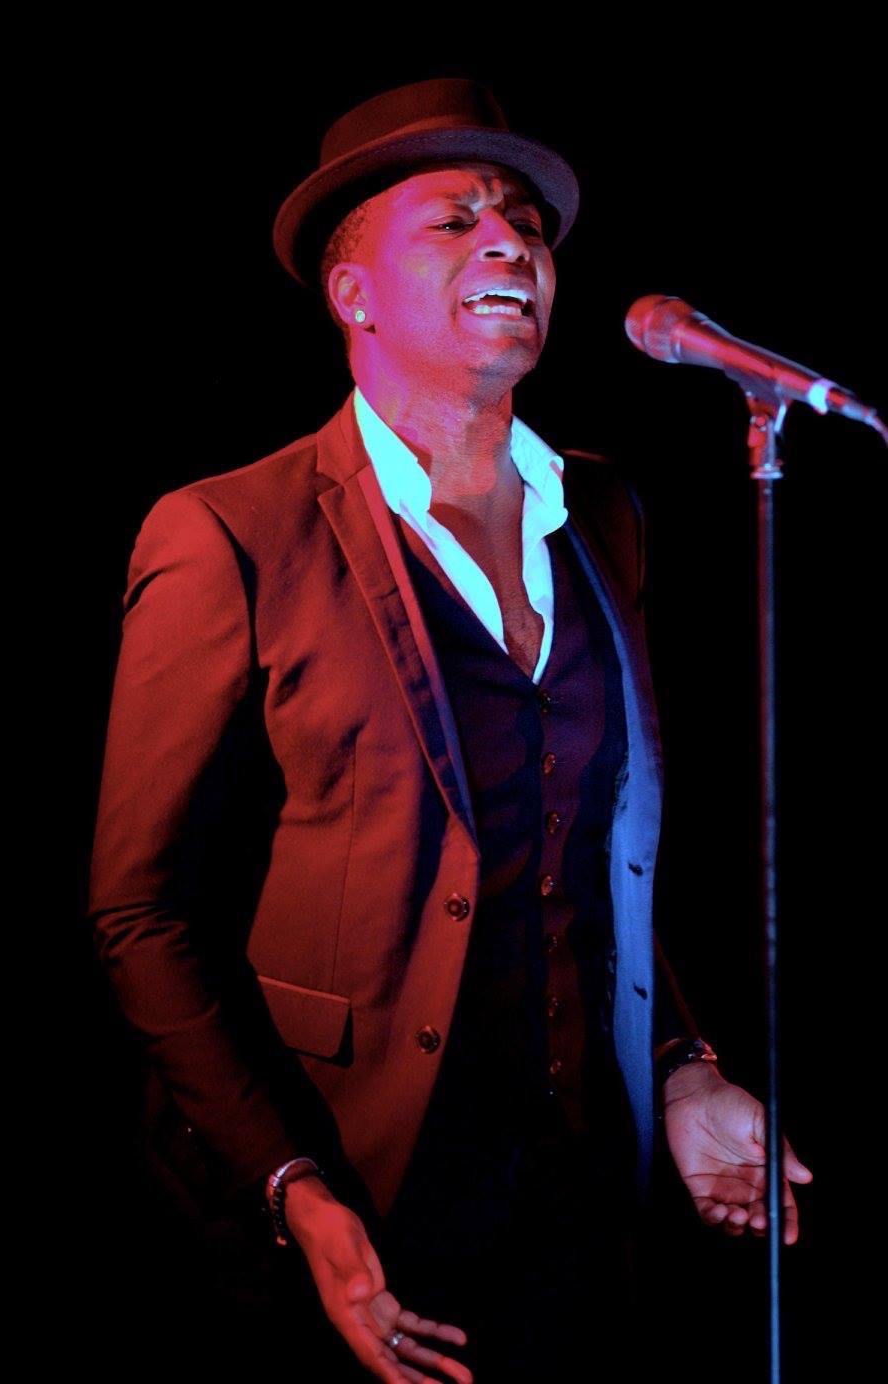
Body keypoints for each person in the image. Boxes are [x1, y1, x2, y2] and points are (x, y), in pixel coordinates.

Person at [86, 78, 812, 1381]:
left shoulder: (603, 515)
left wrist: (683, 1066)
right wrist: (291, 1183)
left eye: (525, 222)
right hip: (349, 1205)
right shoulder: (230, 535)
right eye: (456, 218)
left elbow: (588, 854)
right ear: (352, 293)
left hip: (580, 1214)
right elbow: (140, 911)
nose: (510, 242)